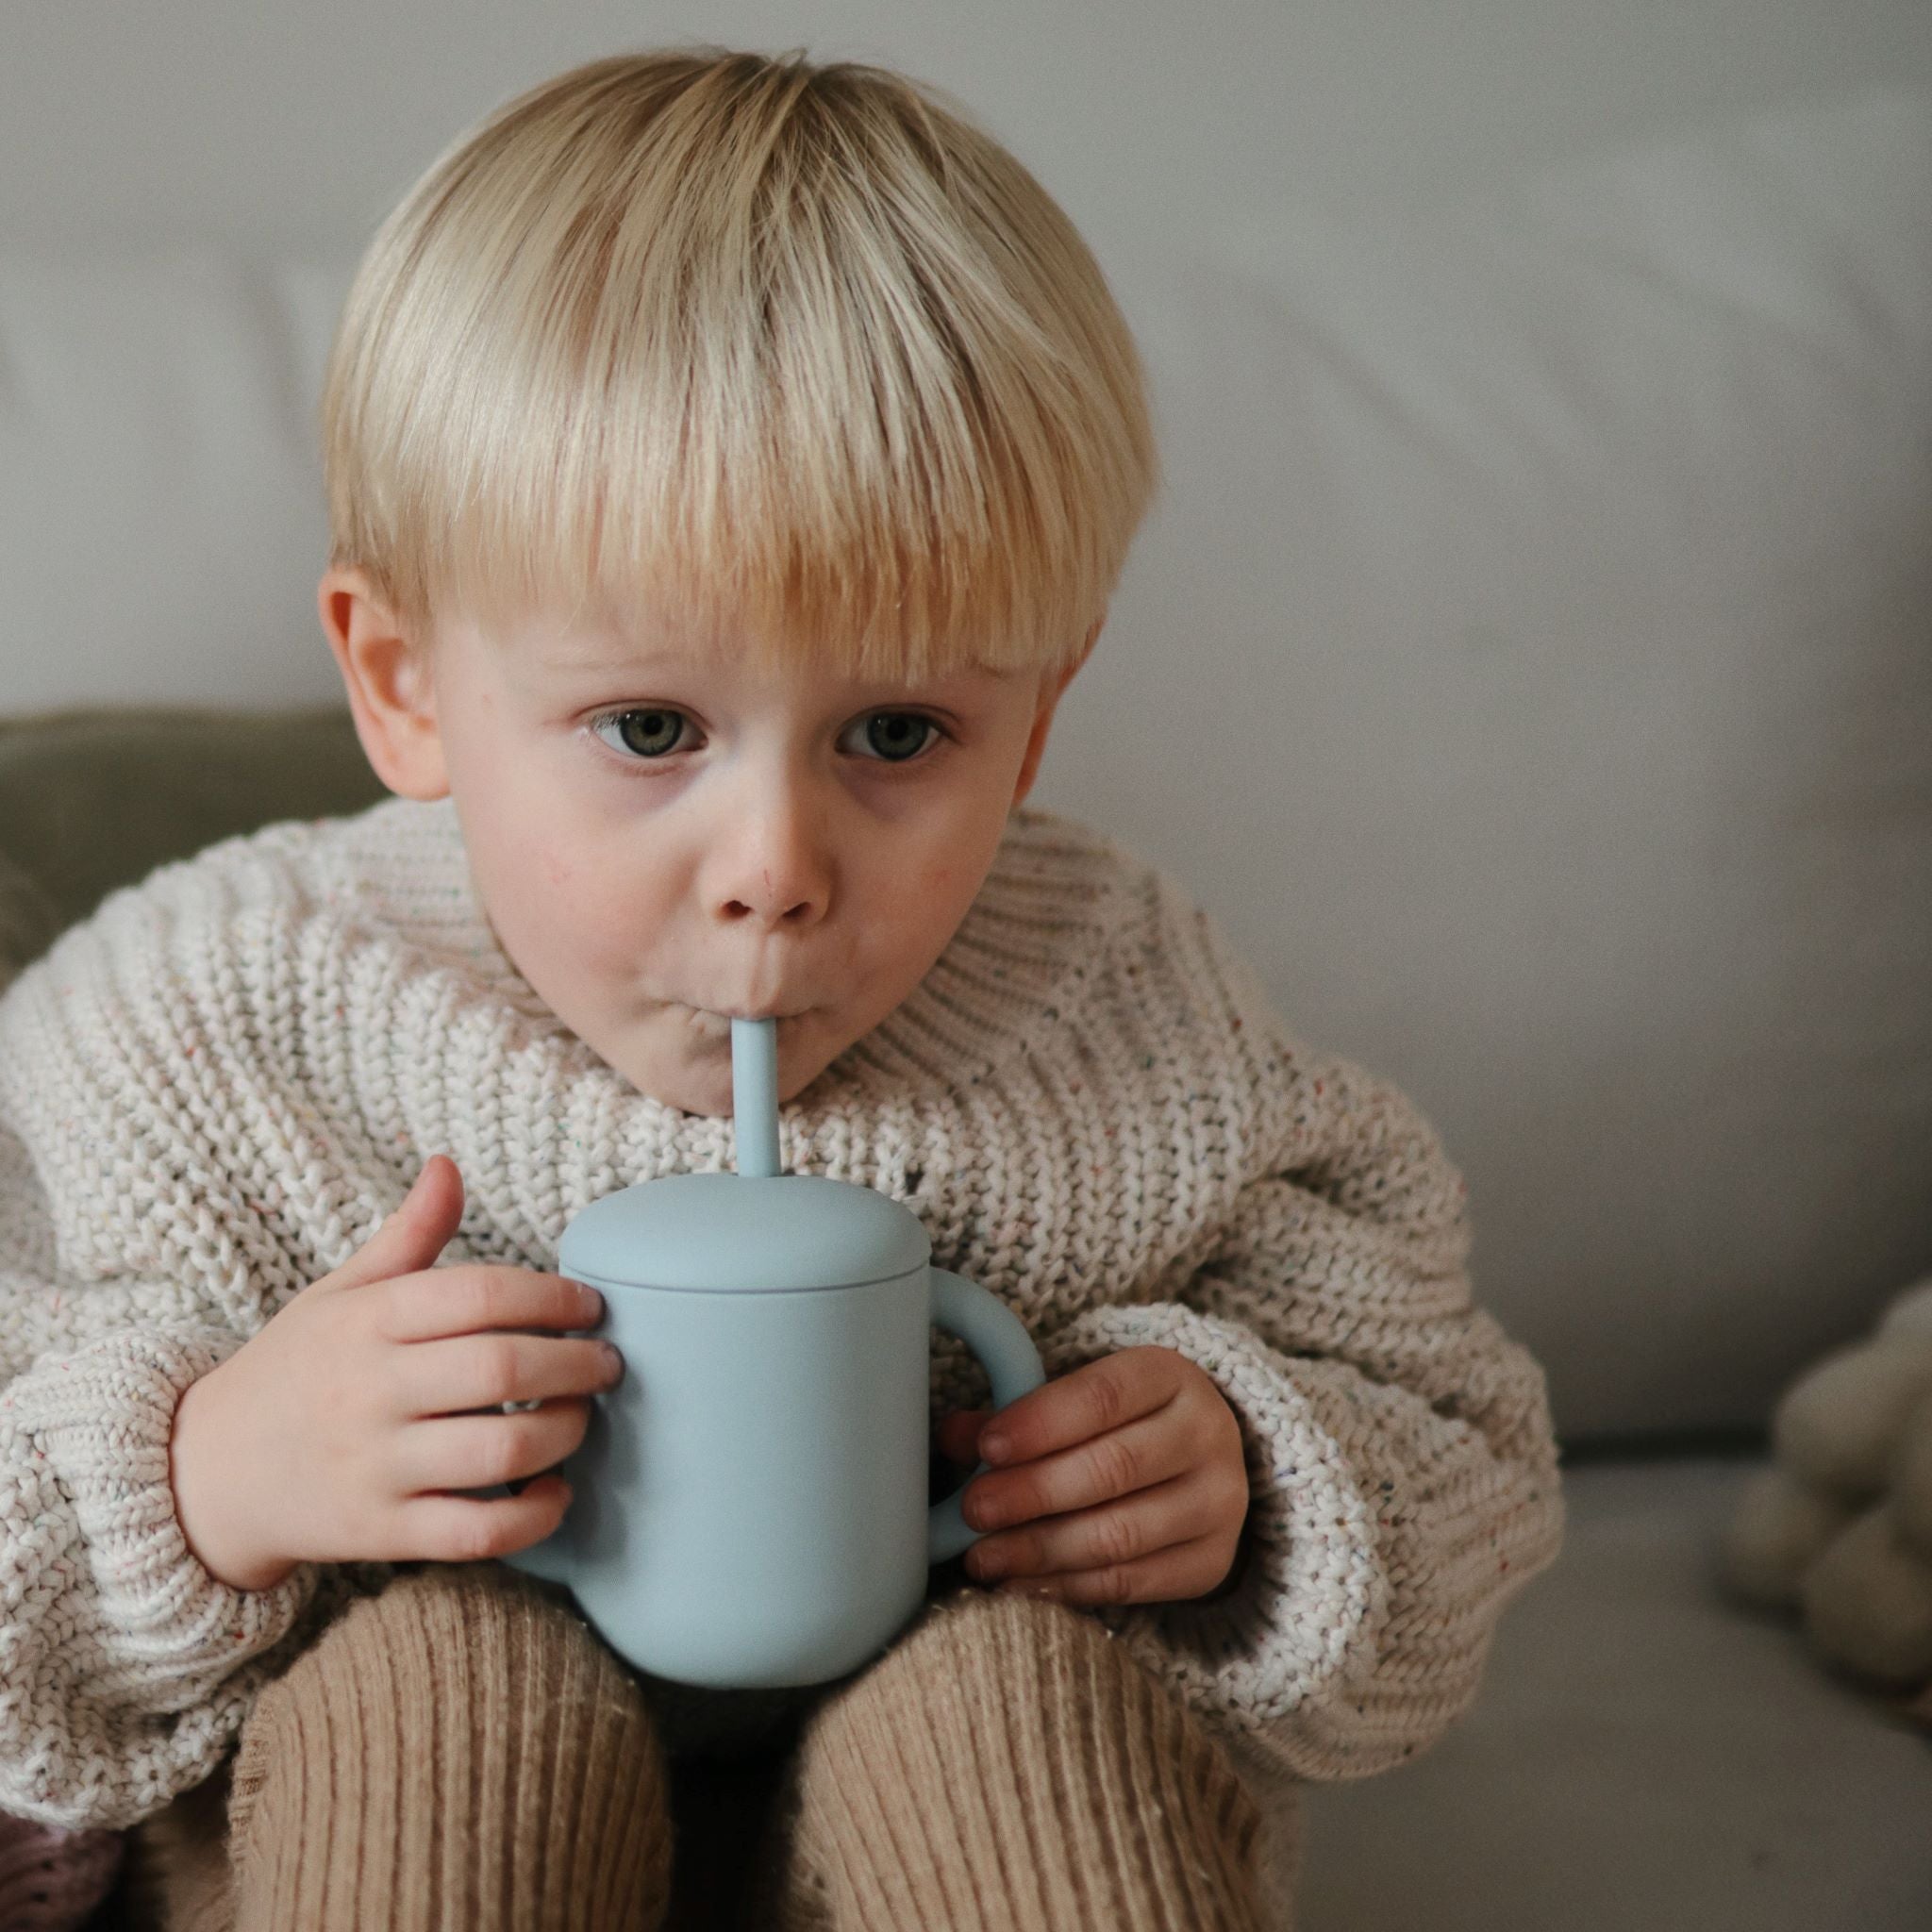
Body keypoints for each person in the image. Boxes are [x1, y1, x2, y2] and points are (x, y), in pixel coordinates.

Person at [0, 45, 1564, 1931]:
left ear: (1037, 712)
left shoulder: (1119, 1003)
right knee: (440, 1683)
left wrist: (1247, 1475)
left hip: (947, 1796)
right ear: (404, 681)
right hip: (392, 1810)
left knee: (1012, 1700)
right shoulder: (203, 1027)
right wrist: (200, 1474)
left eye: (898, 729)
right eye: (649, 726)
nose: (778, 864)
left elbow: (1450, 1428)